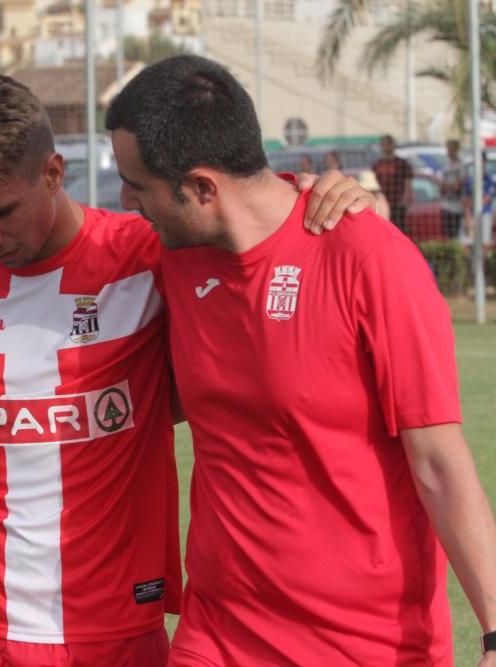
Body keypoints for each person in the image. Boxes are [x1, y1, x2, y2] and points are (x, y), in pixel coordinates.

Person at [0, 72, 374, 667]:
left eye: (0, 212)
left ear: (53, 173)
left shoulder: (148, 254)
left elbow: (246, 216)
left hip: (112, 633)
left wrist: (315, 190)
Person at [107, 54, 496, 666]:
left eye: (138, 185)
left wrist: (495, 630)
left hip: (367, 644)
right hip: (218, 632)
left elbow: (440, 463)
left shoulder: (368, 258)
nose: (125, 200)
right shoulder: (172, 252)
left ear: (204, 187)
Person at [373, 133, 413, 234]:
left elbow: (408, 182)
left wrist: (405, 199)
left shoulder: (402, 164)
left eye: (388, 144)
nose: (386, 146)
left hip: (398, 203)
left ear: (392, 145)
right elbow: (374, 185)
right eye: (383, 144)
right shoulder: (377, 165)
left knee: (399, 231)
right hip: (382, 203)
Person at [464, 151, 495, 246]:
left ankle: (481, 260)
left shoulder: (490, 181)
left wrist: (472, 202)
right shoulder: (469, 180)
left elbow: (486, 200)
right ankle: (473, 260)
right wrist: (468, 217)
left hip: (485, 215)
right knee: (467, 242)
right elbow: (465, 201)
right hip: (472, 216)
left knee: (485, 243)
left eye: (482, 161)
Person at [441, 139, 466, 240]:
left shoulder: (461, 165)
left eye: (451, 149)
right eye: (448, 149)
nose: (449, 151)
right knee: (448, 234)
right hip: (447, 205)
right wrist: (451, 186)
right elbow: (442, 186)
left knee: (457, 234)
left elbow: (459, 185)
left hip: (457, 206)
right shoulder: (445, 166)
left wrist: (449, 186)